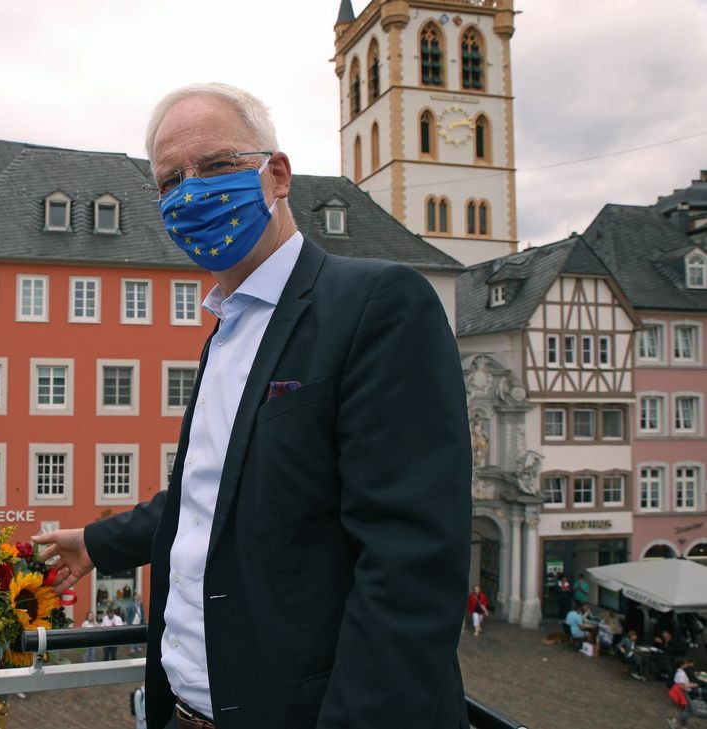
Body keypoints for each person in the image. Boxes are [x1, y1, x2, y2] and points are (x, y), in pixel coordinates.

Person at [33, 82, 472, 728]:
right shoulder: (225, 330)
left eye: (214, 167)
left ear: (278, 174)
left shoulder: (377, 305)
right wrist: (97, 542)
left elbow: (410, 570)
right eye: (170, 181)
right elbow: (211, 497)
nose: (190, 192)